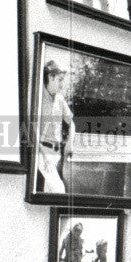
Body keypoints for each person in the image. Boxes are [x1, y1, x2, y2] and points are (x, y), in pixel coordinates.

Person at [38, 60, 76, 193]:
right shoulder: (38, 97)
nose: (62, 85)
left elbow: (71, 123)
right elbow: (31, 130)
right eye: (59, 80)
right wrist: (43, 153)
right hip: (42, 153)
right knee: (59, 191)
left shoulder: (59, 98)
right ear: (50, 77)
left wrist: (70, 142)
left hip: (57, 154)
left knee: (48, 196)